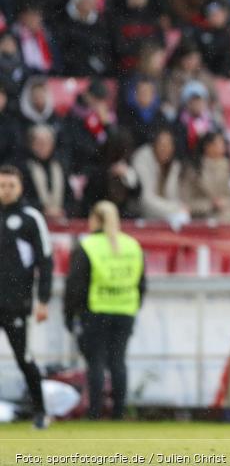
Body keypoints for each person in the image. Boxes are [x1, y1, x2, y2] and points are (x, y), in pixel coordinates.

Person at [64, 201, 145, 420]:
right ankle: (118, 412)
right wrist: (133, 305)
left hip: (96, 310)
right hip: (125, 310)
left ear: (95, 219)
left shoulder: (88, 245)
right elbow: (142, 283)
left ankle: (95, 412)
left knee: (96, 362)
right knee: (118, 361)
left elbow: (75, 285)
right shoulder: (132, 245)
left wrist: (70, 314)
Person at [0, 165, 52, 428]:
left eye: (11, 185)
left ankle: (40, 412)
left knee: (24, 358)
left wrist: (43, 300)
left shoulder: (30, 218)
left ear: (20, 188)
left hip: (15, 303)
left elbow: (46, 261)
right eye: (2, 185)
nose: (6, 191)